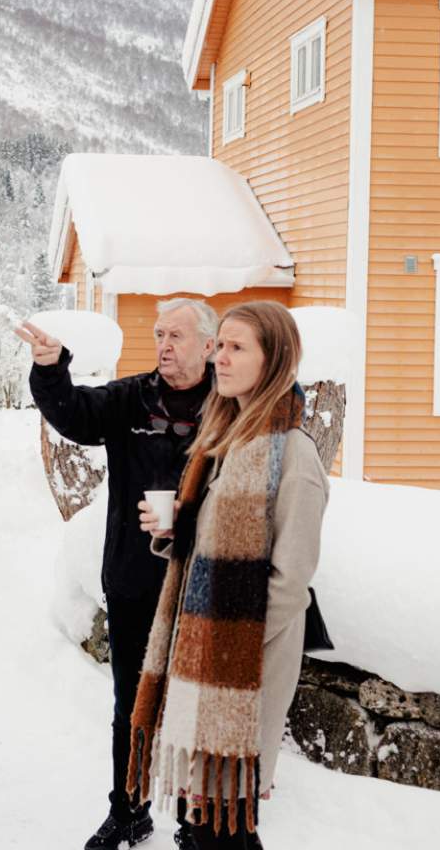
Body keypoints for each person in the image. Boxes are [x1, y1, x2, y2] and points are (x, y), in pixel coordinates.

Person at [16, 300, 216, 850]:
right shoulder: (133, 397)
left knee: (201, 708)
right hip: (134, 579)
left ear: (208, 344)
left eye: (177, 335)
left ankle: (199, 819)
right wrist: (52, 368)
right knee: (132, 706)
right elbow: (75, 415)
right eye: (158, 334)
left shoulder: (231, 403)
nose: (165, 345)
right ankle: (128, 811)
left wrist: (188, 511)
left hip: (206, 585)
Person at [131, 301, 327, 850]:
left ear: (275, 361)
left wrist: (224, 648)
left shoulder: (292, 455)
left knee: (225, 824)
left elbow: (291, 580)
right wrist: (173, 530)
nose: (220, 357)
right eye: (220, 345)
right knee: (205, 821)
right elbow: (207, 545)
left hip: (244, 668)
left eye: (237, 347)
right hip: (204, 662)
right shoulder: (225, 438)